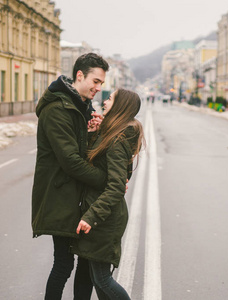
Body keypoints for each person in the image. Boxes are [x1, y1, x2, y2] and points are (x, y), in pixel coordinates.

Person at [31, 53, 110, 300]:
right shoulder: (57, 110)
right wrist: (106, 182)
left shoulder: (79, 106)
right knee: (64, 264)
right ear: (79, 75)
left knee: (86, 262)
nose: (98, 88)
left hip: (75, 196)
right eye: (95, 81)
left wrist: (92, 133)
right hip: (60, 197)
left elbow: (81, 150)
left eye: (101, 84)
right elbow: (71, 161)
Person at [72, 88, 145, 300]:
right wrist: (94, 133)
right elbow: (97, 162)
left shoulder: (117, 140)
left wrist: (90, 217)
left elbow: (116, 186)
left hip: (105, 219)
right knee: (98, 279)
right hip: (102, 215)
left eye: (110, 99)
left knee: (103, 279)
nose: (105, 101)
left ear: (120, 106)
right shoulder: (111, 134)